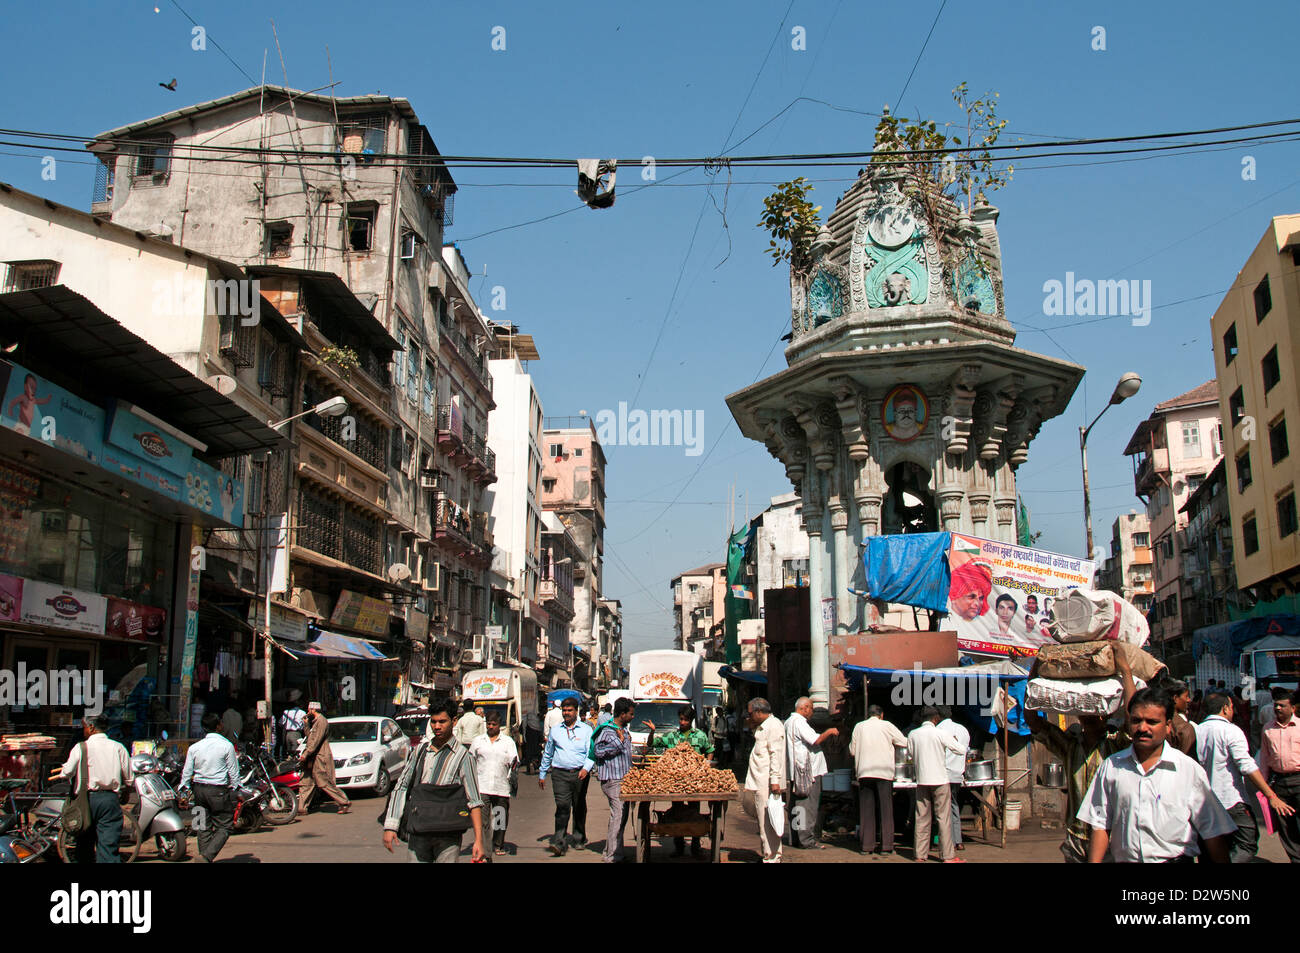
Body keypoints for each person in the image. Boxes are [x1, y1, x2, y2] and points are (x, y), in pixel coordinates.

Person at [1079, 687, 1236, 863]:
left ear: (1168, 726)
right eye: (1136, 720)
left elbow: (1213, 832)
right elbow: (1100, 824)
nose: (1142, 727)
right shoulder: (1112, 767)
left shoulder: (1188, 771)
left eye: (1152, 722)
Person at [1024, 648, 1138, 862]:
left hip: (1111, 837)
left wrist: (1125, 670)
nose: (1087, 716)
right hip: (1076, 837)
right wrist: (1035, 674)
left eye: (1093, 712)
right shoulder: (1070, 746)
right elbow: (1033, 722)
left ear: (1105, 714)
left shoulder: (1117, 746)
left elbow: (1134, 721)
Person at [383, 699, 485, 863]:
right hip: (419, 832)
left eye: (442, 722)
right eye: (434, 722)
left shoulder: (464, 757)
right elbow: (401, 787)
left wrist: (479, 840)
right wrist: (391, 826)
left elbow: (474, 801)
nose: (437, 727)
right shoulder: (420, 751)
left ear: (454, 721)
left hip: (448, 836)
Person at [1197, 691, 1294, 862]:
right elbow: (1246, 766)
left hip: (1205, 801)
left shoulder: (1197, 730)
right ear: (1226, 708)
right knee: (1246, 842)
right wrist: (1270, 795)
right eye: (1232, 707)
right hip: (1230, 799)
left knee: (1213, 844)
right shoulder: (1230, 730)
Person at [49, 715, 131, 863]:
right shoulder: (118, 747)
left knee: (84, 846)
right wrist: (125, 793)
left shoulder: (81, 747)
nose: (84, 731)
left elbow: (67, 772)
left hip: (85, 801)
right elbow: (129, 778)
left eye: (84, 727)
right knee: (108, 846)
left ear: (92, 728)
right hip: (109, 801)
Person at [645, 704, 715, 857]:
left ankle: (695, 847)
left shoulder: (700, 736)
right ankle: (679, 846)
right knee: (677, 813)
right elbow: (652, 744)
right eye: (681, 719)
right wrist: (652, 731)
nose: (682, 722)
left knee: (694, 813)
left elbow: (710, 751)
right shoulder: (672, 736)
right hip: (674, 783)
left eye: (685, 720)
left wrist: (706, 766)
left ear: (691, 720)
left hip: (695, 783)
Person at [908, 706, 967, 863]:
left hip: (922, 780)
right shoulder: (941, 734)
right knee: (943, 818)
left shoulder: (913, 735)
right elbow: (961, 750)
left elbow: (911, 753)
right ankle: (947, 856)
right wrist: (953, 741)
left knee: (921, 818)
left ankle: (920, 855)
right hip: (940, 780)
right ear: (935, 719)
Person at [538, 697, 593, 856]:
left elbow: (591, 753)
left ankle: (579, 838)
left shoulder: (586, 730)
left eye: (569, 710)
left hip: (580, 774)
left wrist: (586, 768)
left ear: (576, 712)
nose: (566, 713)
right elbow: (548, 753)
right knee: (562, 806)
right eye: (564, 710)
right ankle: (559, 841)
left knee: (579, 806)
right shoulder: (556, 730)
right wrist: (542, 773)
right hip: (559, 774)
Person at [849, 705, 907, 854]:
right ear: (881, 715)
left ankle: (866, 846)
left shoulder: (859, 727)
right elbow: (903, 741)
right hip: (884, 772)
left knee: (867, 810)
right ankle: (886, 847)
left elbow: (852, 750)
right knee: (886, 809)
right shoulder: (887, 725)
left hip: (865, 772)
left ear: (868, 715)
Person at [785, 696, 838, 850]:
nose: (812, 712)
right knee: (807, 805)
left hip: (798, 771)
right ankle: (806, 839)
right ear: (804, 708)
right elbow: (816, 740)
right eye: (811, 708)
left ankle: (797, 838)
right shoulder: (799, 722)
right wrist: (829, 731)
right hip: (808, 772)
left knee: (798, 805)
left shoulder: (790, 722)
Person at [468, 710, 518, 857]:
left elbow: (514, 763)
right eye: (488, 724)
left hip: (501, 787)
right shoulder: (478, 741)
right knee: (482, 820)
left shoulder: (508, 742)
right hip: (482, 786)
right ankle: (484, 846)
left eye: (493, 724)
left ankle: (498, 844)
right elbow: (470, 761)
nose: (490, 727)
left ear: (499, 725)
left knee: (500, 818)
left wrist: (512, 781)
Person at [1258, 688, 1300, 863]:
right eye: (1276, 705)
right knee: (1285, 827)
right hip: (1279, 783)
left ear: (1293, 709)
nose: (1278, 708)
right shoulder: (1268, 729)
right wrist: (1265, 788)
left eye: (1282, 705)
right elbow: (1265, 758)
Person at [743, 697, 785, 863]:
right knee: (763, 821)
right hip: (760, 780)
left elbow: (776, 754)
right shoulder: (763, 727)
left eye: (751, 713)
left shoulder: (773, 726)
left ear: (759, 712)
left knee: (768, 822)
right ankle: (768, 854)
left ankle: (772, 857)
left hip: (767, 782)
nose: (749, 716)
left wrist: (775, 780)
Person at [592, 697, 635, 863]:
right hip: (612, 780)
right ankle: (612, 857)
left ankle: (613, 851)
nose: (632, 717)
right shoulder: (607, 731)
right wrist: (619, 742)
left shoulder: (624, 730)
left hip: (625, 779)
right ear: (622, 714)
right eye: (630, 714)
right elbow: (598, 752)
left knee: (621, 818)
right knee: (617, 816)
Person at [298, 705, 351, 815]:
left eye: (309, 709)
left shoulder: (322, 721)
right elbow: (310, 738)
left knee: (324, 782)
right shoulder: (315, 722)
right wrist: (306, 724)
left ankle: (344, 801)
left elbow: (316, 741)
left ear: (313, 710)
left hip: (320, 756)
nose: (307, 712)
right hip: (312, 757)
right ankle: (302, 808)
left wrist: (306, 754)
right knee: (306, 782)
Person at [936, 706, 970, 852]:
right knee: (953, 806)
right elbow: (965, 751)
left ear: (938, 716)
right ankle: (958, 840)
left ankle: (947, 841)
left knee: (943, 810)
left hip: (942, 774)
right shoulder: (963, 729)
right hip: (957, 774)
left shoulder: (937, 730)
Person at [1164, 679, 1196, 755]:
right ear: (1175, 698)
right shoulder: (1185, 728)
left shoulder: (1158, 719)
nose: (1189, 700)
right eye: (1186, 696)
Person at [279, 692, 307, 760]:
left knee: (289, 752)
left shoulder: (286, 712)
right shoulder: (302, 713)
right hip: (296, 734)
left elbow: (280, 723)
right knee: (296, 753)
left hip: (287, 734)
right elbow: (305, 725)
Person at [524, 705, 543, 774]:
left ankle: (530, 765)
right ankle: (535, 764)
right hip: (536, 742)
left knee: (529, 754)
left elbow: (522, 728)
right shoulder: (537, 724)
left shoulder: (526, 721)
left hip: (529, 741)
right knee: (537, 753)